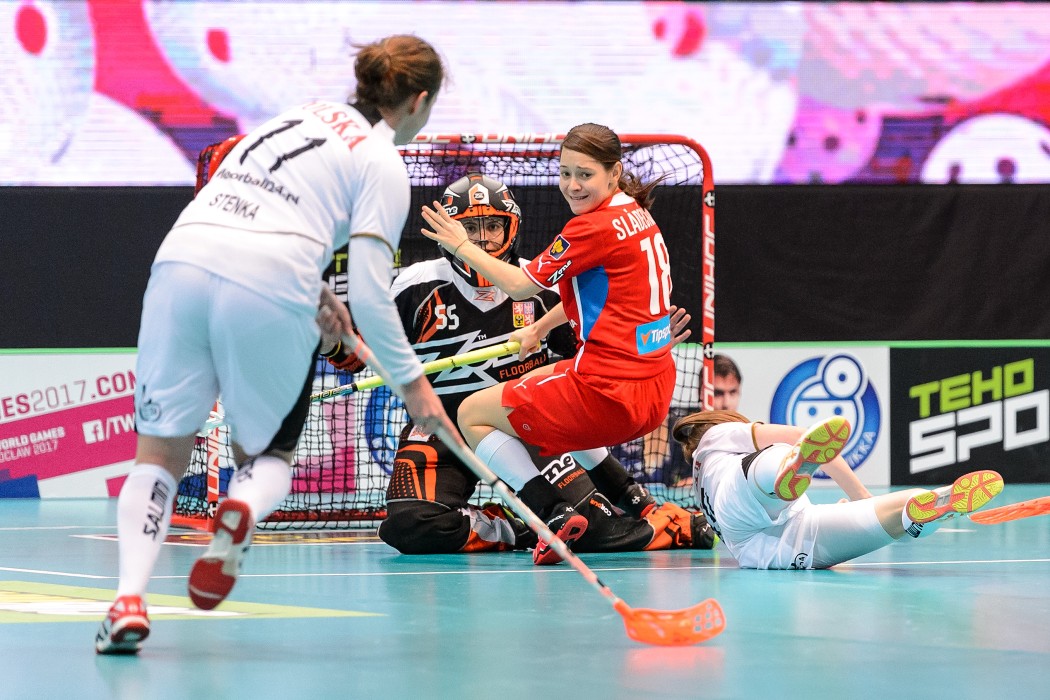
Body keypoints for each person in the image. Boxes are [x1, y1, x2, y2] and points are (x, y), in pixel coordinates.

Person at [95, 35, 451, 654]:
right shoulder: (383, 160)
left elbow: (256, 206)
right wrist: (415, 385)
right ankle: (239, 514)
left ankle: (128, 599)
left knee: (156, 457)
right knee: (268, 459)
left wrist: (313, 286)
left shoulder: (297, 115)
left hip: (181, 260)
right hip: (270, 281)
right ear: (418, 100)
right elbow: (370, 295)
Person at [332, 172, 714, 555]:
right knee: (409, 525)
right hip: (441, 430)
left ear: (511, 229)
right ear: (449, 232)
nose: (481, 240)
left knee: (594, 531)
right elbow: (355, 357)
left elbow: (587, 365)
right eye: (469, 228)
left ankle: (663, 519)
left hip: (526, 432)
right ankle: (519, 525)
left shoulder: (544, 287)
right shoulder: (415, 286)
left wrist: (642, 345)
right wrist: (332, 338)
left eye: (493, 226)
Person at [419, 123, 682, 565]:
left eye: (585, 174)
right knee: (540, 381)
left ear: (614, 173)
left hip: (609, 394)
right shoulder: (635, 212)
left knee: (473, 414)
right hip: (654, 391)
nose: (572, 186)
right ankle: (633, 499)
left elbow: (521, 285)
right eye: (565, 173)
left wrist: (463, 245)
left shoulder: (591, 228)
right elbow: (589, 287)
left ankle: (551, 513)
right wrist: (539, 330)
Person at [671, 410, 1005, 569]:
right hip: (759, 503)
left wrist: (850, 509)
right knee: (773, 459)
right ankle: (787, 470)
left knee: (889, 514)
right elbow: (800, 434)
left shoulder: (702, 485)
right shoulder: (716, 437)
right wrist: (861, 495)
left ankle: (921, 511)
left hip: (763, 551)